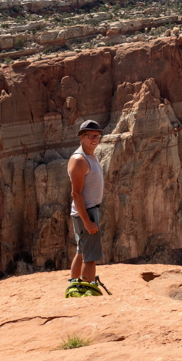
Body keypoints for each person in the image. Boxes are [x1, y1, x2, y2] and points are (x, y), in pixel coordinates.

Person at [68, 119, 105, 292]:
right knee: (90, 256)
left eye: (97, 135)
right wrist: (87, 221)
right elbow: (76, 193)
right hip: (87, 212)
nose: (94, 139)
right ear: (81, 137)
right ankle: (88, 290)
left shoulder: (89, 155)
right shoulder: (80, 160)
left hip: (88, 210)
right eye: (90, 136)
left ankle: (74, 286)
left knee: (82, 251)